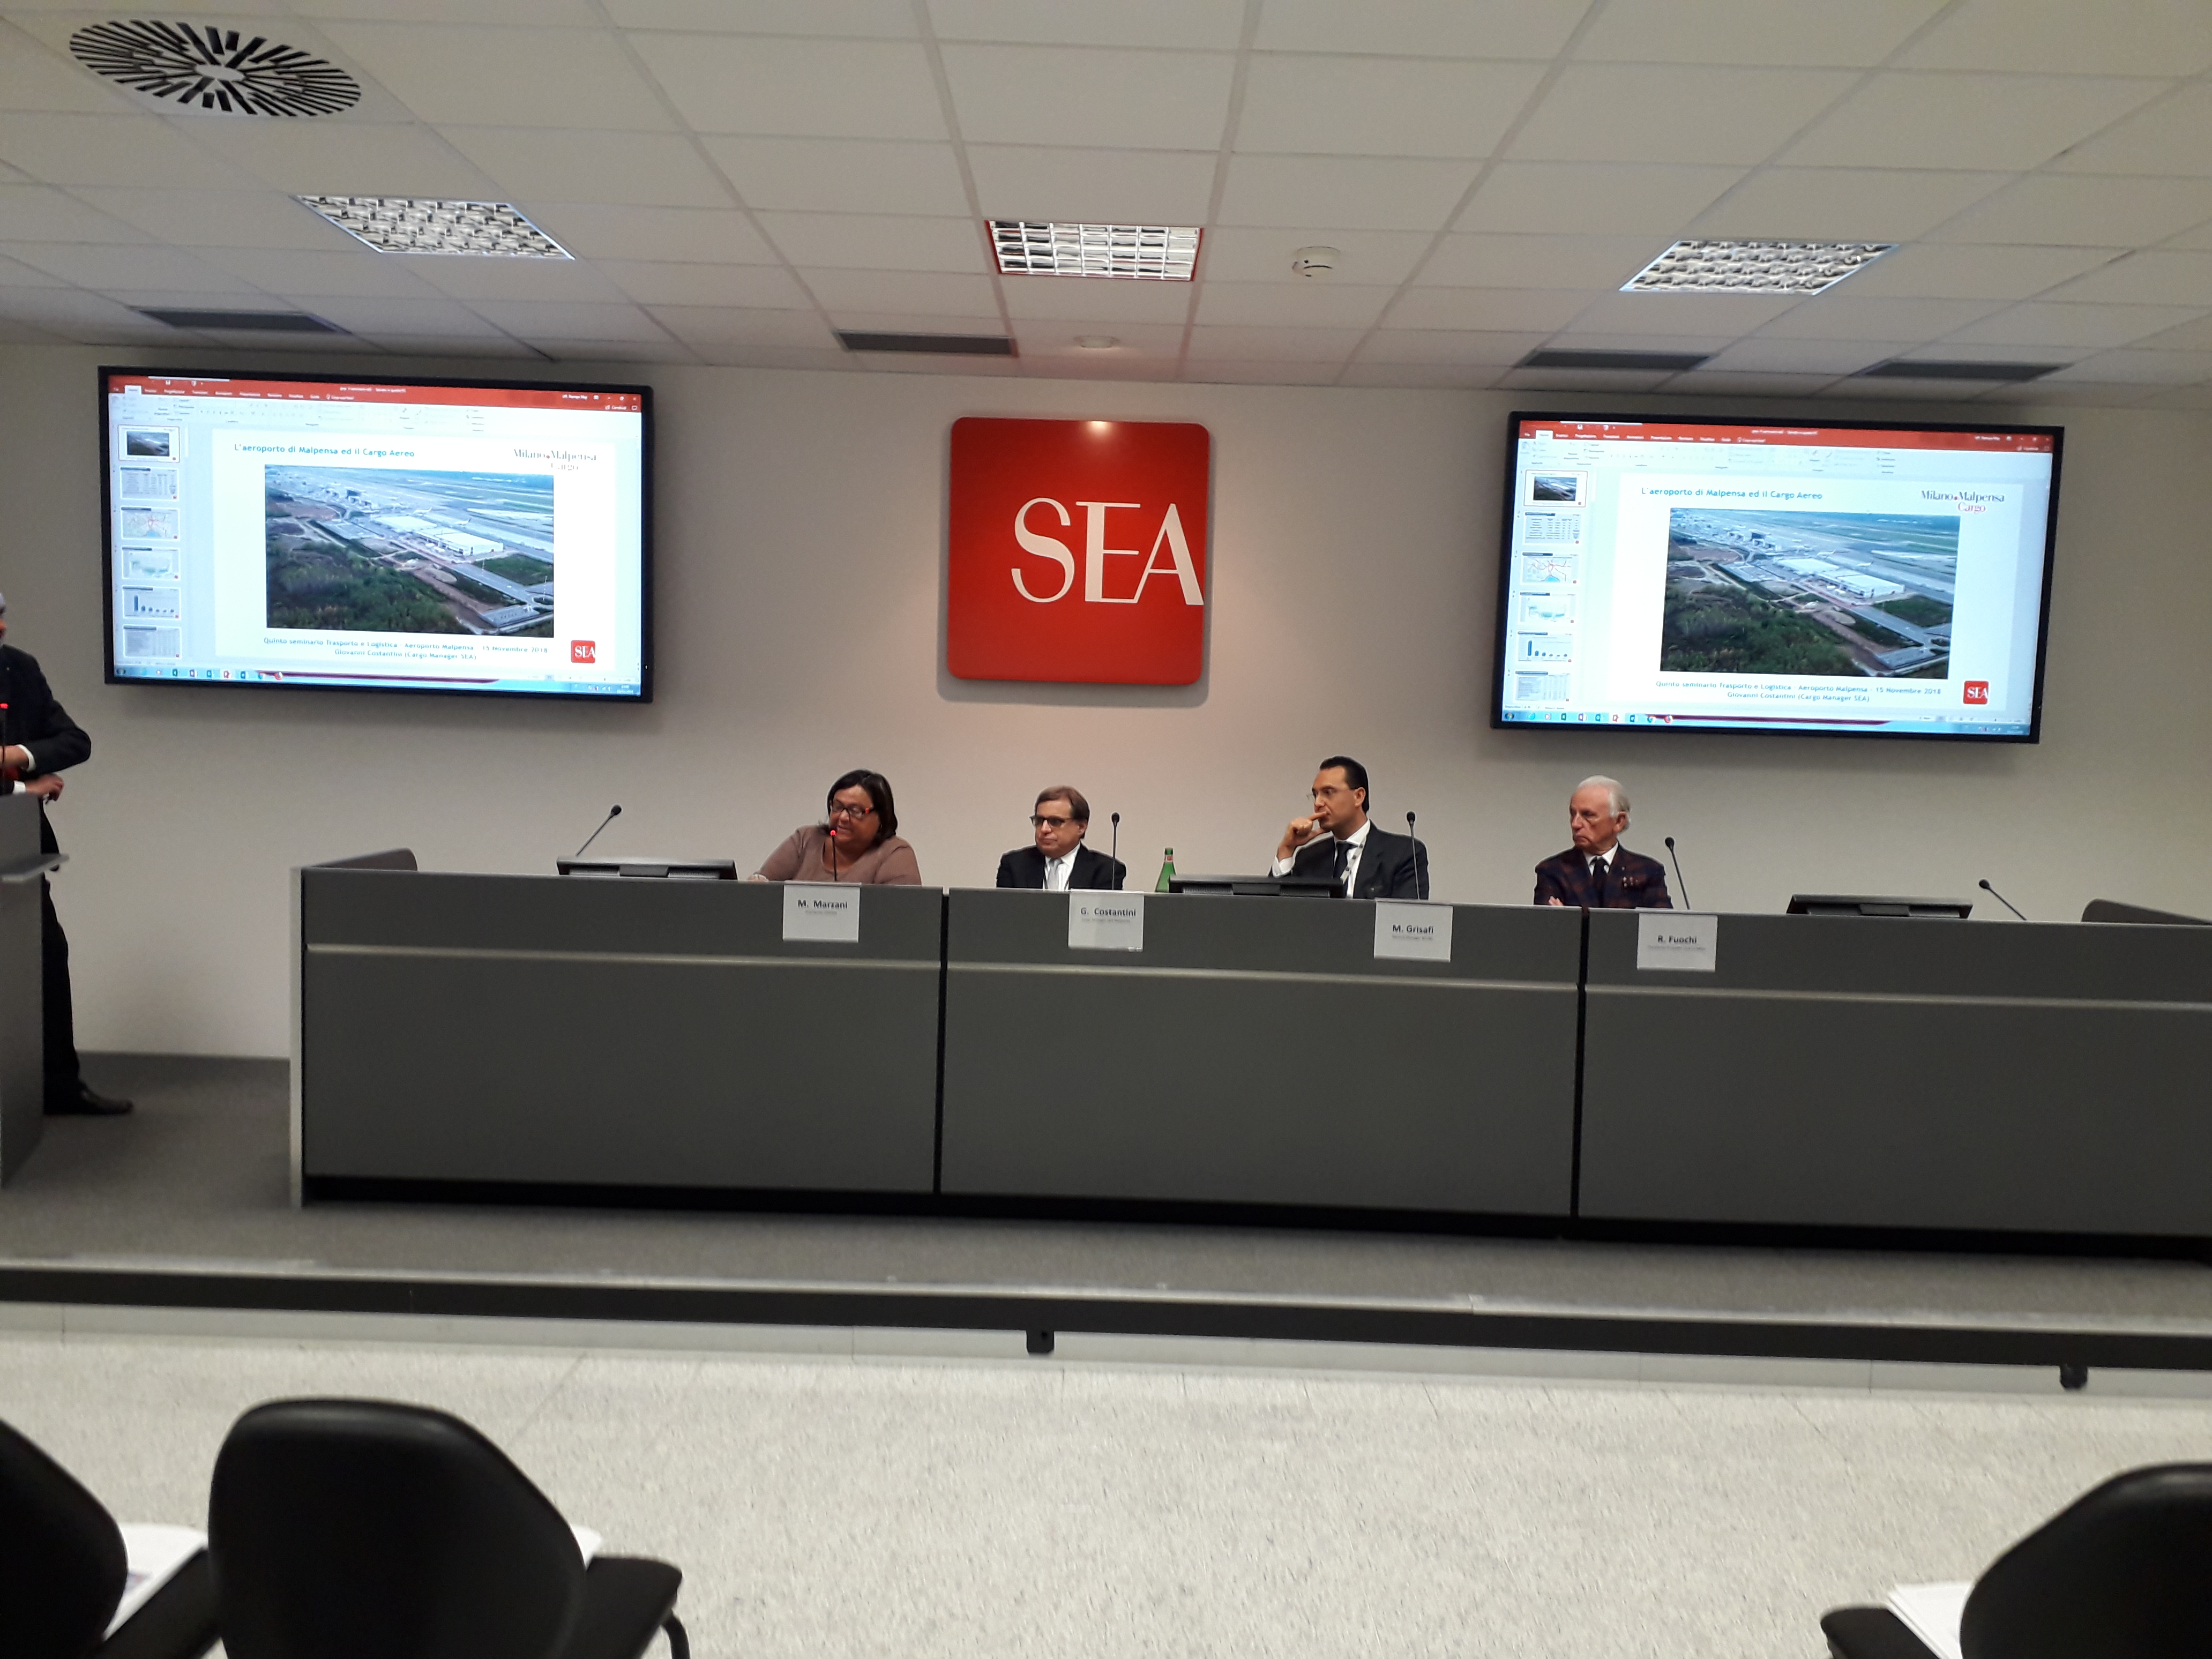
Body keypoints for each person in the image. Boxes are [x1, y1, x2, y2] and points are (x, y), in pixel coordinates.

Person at [0, 593, 131, 1115]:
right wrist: (18, 788)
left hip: (17, 854)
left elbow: (74, 741)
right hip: (14, 819)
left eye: (2, 617)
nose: (3, 628)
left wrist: (16, 756)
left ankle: (59, 1084)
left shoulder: (18, 669)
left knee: (47, 956)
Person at [1271, 755, 1426, 899]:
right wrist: (1287, 849)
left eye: (1328, 793)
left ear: (1359, 796)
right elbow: (1279, 912)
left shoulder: (1404, 853)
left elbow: (1407, 916)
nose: (1318, 803)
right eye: (1315, 795)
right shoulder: (1310, 857)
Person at [751, 769, 920, 885]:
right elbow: (762, 887)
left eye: (855, 811)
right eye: (838, 807)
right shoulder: (806, 839)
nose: (843, 818)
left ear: (881, 817)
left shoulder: (895, 853)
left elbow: (900, 916)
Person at [1533, 775, 1672, 909]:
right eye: (1573, 814)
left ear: (1619, 821)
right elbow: (1549, 923)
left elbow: (1660, 923)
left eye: (1588, 815)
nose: (1575, 824)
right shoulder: (1553, 870)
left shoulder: (1647, 872)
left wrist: (1572, 919)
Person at [996, 786, 1125, 891]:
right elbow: (1005, 912)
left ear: (1081, 827)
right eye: (1039, 821)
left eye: (1055, 822)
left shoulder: (1106, 870)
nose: (1044, 829)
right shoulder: (1014, 865)